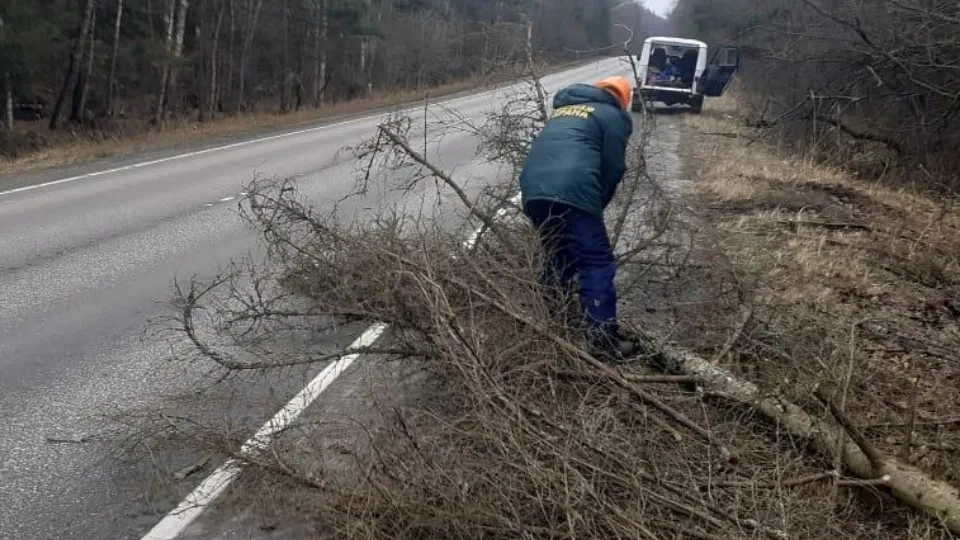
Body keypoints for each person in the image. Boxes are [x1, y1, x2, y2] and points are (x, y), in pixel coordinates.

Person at [519, 76, 637, 360]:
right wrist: (596, 204)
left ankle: (554, 322)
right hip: (573, 190)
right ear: (624, 99)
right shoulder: (613, 115)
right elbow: (612, 168)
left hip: (533, 192)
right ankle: (602, 340)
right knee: (596, 261)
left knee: (560, 256)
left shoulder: (562, 111)